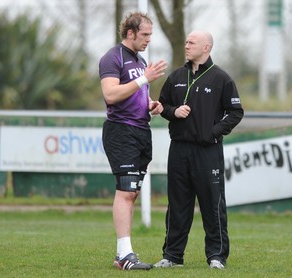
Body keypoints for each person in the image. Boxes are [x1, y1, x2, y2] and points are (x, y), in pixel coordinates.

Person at [153, 30, 244, 270]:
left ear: (206, 47)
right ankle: (172, 256)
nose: (186, 45)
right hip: (179, 150)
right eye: (186, 41)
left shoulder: (221, 79)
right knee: (177, 204)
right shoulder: (175, 77)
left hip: (208, 152)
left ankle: (216, 256)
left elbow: (236, 112)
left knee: (212, 204)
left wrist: (214, 131)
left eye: (192, 42)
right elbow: (163, 106)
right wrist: (173, 112)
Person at [98, 12, 167, 271]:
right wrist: (144, 79)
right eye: (145, 34)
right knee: (125, 192)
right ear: (130, 33)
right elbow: (111, 94)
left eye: (150, 34)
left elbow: (135, 96)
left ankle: (121, 254)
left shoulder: (139, 60)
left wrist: (150, 105)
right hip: (121, 132)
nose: (149, 39)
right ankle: (125, 255)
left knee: (132, 192)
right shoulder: (112, 57)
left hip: (141, 131)